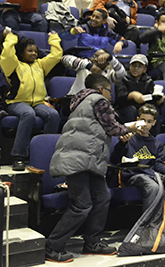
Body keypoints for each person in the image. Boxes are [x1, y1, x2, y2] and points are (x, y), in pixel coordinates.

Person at [45, 74, 140, 262]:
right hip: (78, 159)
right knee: (82, 205)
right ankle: (52, 246)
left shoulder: (82, 102)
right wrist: (132, 128)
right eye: (109, 91)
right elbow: (113, 128)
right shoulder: (98, 100)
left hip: (88, 160)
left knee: (103, 196)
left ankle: (92, 242)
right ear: (100, 90)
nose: (110, 96)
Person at [0, 31, 62, 171]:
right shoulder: (14, 65)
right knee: (28, 114)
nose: (34, 54)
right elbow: (8, 54)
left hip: (37, 102)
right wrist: (11, 37)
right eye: (29, 51)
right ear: (21, 53)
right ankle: (18, 156)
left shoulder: (40, 65)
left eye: (35, 51)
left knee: (53, 115)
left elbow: (56, 56)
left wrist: (53, 38)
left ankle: (45, 153)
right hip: (16, 102)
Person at [110, 104, 165, 213]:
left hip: (151, 174)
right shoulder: (129, 138)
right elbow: (115, 160)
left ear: (154, 123)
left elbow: (158, 164)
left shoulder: (157, 144)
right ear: (137, 120)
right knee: (153, 187)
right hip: (133, 175)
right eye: (143, 120)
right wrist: (122, 144)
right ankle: (147, 223)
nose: (145, 125)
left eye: (149, 121)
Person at [115, 54, 164, 123]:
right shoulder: (123, 79)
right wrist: (131, 95)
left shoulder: (148, 81)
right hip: (126, 107)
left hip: (143, 107)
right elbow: (120, 98)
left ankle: (153, 134)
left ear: (144, 70)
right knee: (131, 110)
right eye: (134, 65)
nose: (136, 68)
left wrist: (158, 102)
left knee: (153, 110)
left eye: (139, 66)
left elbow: (150, 98)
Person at [61, 48, 126, 97]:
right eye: (94, 56)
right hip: (75, 101)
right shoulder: (84, 65)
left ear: (107, 63)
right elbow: (64, 59)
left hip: (96, 106)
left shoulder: (107, 75)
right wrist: (89, 66)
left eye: (100, 58)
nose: (95, 59)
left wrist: (111, 59)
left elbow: (121, 73)